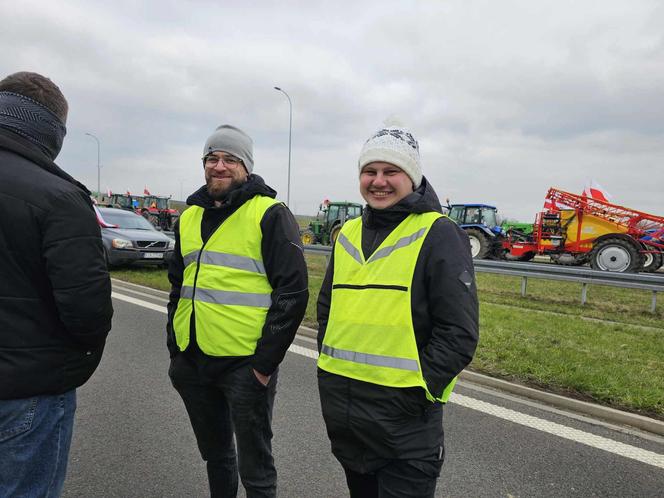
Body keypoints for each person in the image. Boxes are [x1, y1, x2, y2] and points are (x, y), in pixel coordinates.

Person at [317, 125, 479, 497]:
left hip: (405, 427)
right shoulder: (347, 233)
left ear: (412, 177)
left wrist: (416, 392)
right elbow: (327, 310)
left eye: (391, 172)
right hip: (347, 419)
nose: (379, 182)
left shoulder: (438, 232)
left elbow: (458, 333)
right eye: (369, 172)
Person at [167, 124, 308, 498]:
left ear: (245, 166)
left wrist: (262, 366)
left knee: (255, 468)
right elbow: (178, 286)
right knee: (217, 457)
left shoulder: (270, 214)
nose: (219, 166)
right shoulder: (189, 217)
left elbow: (292, 293)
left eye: (230, 159)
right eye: (212, 158)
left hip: (244, 365)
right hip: (194, 360)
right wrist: (175, 350)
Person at [0, 71, 113, 496]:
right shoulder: (59, 197)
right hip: (26, 390)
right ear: (51, 131)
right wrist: (76, 360)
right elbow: (87, 310)